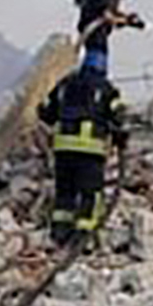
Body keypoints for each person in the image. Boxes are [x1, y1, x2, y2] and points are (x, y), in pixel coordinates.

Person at [38, 49, 127, 245]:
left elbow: (46, 114)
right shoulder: (106, 89)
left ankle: (60, 231)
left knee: (65, 191)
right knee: (90, 193)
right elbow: (119, 116)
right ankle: (84, 234)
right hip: (90, 151)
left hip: (63, 151)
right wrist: (120, 136)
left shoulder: (64, 85)